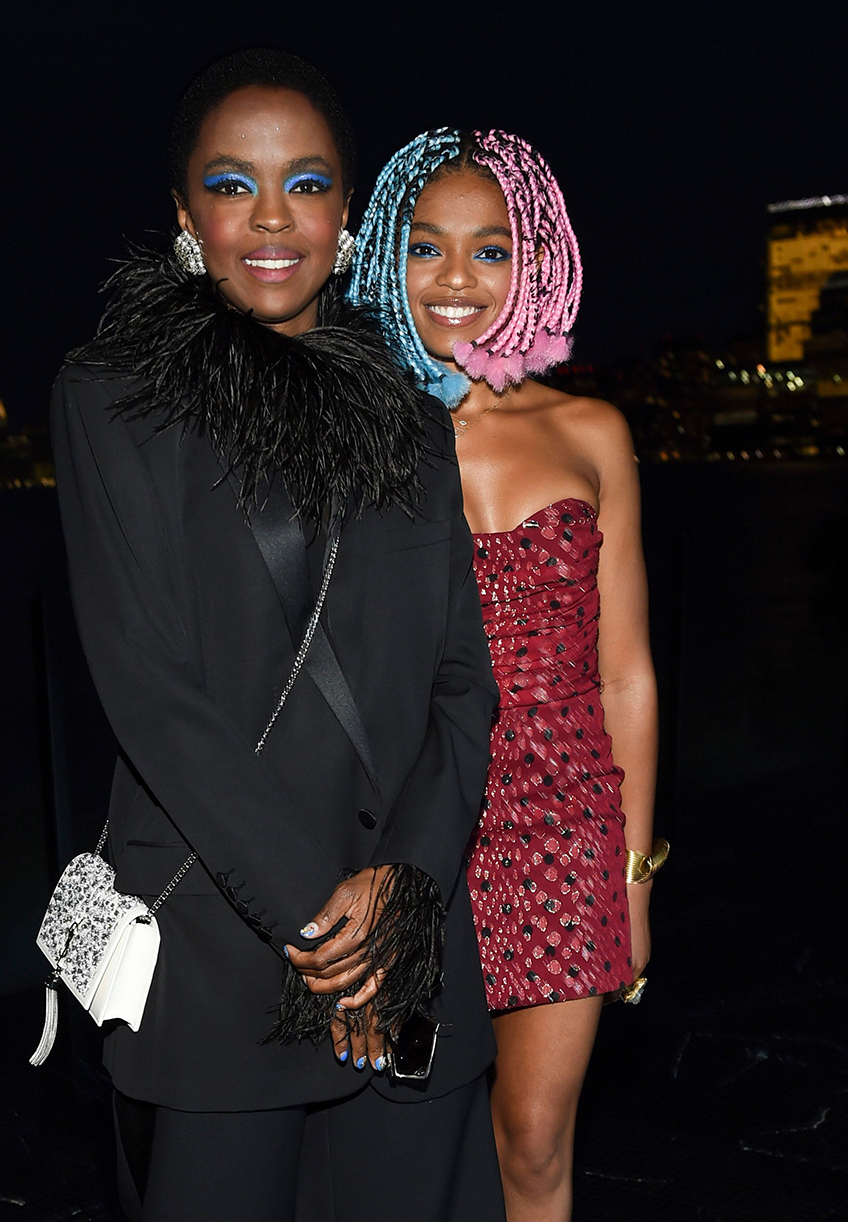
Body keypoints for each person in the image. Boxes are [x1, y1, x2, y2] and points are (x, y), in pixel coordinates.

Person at [52, 57, 505, 1222]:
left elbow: (461, 679)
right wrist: (324, 923)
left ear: (347, 220)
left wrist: (403, 889)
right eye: (230, 183)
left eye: (303, 184)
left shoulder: (413, 416)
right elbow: (149, 691)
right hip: (221, 959)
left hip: (410, 949)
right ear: (186, 219)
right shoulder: (113, 398)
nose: (269, 216)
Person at [350, 129, 664, 1221]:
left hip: (562, 823)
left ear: (533, 260)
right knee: (412, 1149)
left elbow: (623, 672)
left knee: (532, 1139)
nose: (456, 278)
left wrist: (633, 872)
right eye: (426, 246)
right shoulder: (362, 434)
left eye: (489, 249)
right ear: (384, 254)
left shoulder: (591, 431)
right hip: (415, 824)